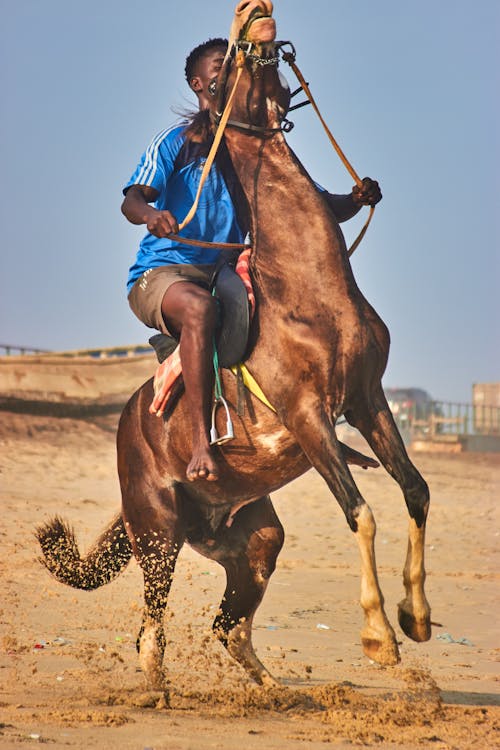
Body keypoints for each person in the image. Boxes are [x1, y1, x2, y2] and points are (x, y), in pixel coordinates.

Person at [121, 38, 382, 484]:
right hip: (163, 274)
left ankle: (313, 430)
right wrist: (152, 215)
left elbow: (315, 208)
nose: (231, 72)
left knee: (290, 322)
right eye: (222, 67)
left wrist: (355, 201)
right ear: (199, 83)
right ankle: (201, 442)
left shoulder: (249, 151)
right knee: (200, 310)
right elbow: (132, 199)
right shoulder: (174, 143)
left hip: (224, 272)